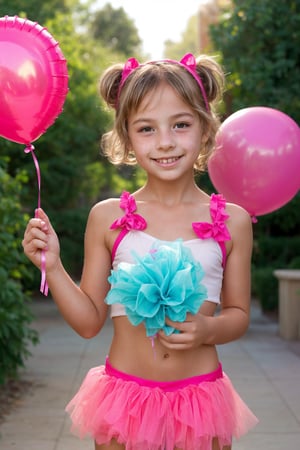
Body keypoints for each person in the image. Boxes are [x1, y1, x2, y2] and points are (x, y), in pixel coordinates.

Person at [22, 52, 258, 450]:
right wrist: (54, 266)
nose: (165, 142)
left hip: (200, 401)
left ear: (204, 128)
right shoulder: (106, 218)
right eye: (146, 129)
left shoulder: (232, 221)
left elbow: (238, 315)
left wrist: (208, 329)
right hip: (124, 400)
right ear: (127, 137)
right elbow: (89, 323)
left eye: (180, 124)